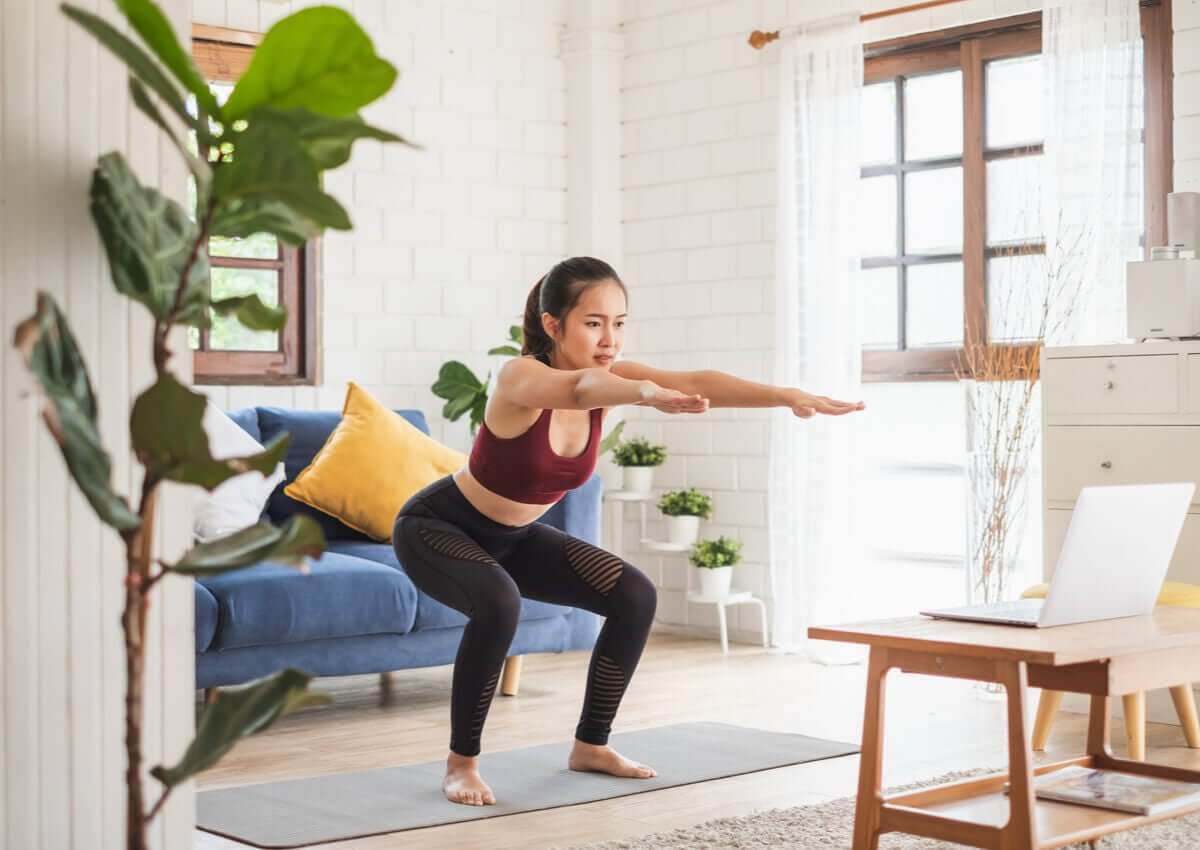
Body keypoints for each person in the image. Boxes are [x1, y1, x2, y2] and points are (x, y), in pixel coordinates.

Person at [392, 257, 864, 807]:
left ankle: (591, 745)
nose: (608, 338)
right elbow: (580, 389)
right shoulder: (520, 376)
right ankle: (461, 764)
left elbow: (694, 381)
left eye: (619, 323)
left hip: (514, 538)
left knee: (633, 594)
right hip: (437, 526)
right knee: (499, 603)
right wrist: (643, 391)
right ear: (552, 324)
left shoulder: (613, 376)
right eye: (593, 323)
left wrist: (787, 395)